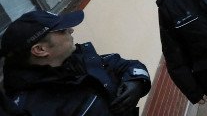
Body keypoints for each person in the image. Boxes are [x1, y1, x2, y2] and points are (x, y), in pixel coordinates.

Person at [0, 10, 150, 115]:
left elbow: (126, 65)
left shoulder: (79, 59)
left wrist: (136, 81)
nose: (71, 30)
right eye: (62, 30)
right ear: (40, 49)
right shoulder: (29, 108)